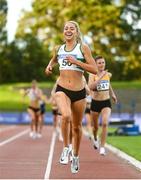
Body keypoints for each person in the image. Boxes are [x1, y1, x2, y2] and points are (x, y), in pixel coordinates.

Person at [45, 20, 98, 173]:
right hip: (62, 88)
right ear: (63, 31)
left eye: (71, 28)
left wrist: (77, 62)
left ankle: (75, 156)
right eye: (66, 28)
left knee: (76, 127)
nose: (68, 30)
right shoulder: (59, 48)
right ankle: (66, 148)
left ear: (76, 32)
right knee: (65, 116)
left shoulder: (83, 48)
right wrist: (49, 66)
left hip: (79, 92)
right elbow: (54, 59)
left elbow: (94, 69)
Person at [88, 55, 117, 155]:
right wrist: (100, 76)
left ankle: (103, 147)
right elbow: (90, 87)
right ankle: (95, 138)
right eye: (99, 63)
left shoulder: (108, 74)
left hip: (106, 102)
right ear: (96, 64)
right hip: (95, 103)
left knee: (105, 123)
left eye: (103, 62)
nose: (101, 64)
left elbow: (108, 84)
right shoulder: (92, 74)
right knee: (95, 127)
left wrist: (112, 94)